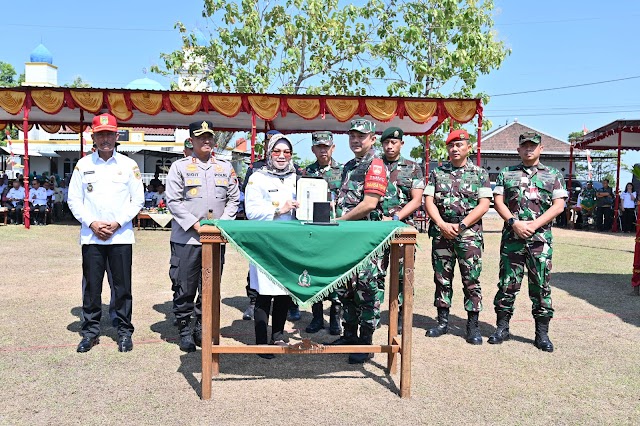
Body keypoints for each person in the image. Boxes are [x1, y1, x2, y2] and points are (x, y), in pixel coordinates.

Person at [67, 113, 145, 353]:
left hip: (120, 236)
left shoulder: (128, 165)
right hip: (92, 237)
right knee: (92, 287)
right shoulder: (83, 165)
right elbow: (73, 199)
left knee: (122, 287)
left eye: (109, 134)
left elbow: (137, 199)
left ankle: (124, 332)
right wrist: (91, 223)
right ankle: (90, 332)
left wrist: (117, 223)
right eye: (101, 135)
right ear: (94, 136)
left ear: (116, 135)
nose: (105, 139)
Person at [166, 120, 240, 352]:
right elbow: (174, 201)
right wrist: (196, 225)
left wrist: (221, 225)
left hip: (216, 238)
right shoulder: (179, 167)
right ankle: (185, 329)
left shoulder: (225, 167)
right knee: (184, 286)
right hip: (187, 239)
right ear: (192, 141)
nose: (206, 141)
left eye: (209, 136)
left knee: (210, 286)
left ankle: (202, 326)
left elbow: (233, 199)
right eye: (200, 137)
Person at [489, 132, 567, 352]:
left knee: (541, 286)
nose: (529, 149)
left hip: (540, 240)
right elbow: (498, 202)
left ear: (541, 148)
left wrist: (533, 225)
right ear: (518, 150)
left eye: (533, 146)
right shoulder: (507, 173)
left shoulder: (553, 175)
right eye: (524, 146)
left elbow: (558, 205)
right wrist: (514, 222)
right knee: (507, 285)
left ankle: (542, 334)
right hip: (512, 238)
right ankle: (502, 328)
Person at [424, 129, 491, 345]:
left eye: (459, 145)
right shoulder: (438, 172)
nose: (454, 149)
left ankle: (472, 326)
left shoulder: (480, 174)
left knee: (471, 279)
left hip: (468, 235)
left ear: (468, 147)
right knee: (442, 278)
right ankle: (442, 321)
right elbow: (428, 201)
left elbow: (484, 204)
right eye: (451, 146)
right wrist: (442, 224)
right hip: (442, 234)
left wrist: (461, 225)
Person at [332, 118, 389, 364]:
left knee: (366, 290)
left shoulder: (375, 166)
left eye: (361, 136)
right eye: (352, 136)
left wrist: (340, 221)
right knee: (346, 288)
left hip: (367, 241)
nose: (356, 140)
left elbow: (369, 204)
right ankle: (349, 335)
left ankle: (365, 342)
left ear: (372, 139)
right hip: (347, 240)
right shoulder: (348, 166)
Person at [245, 134, 299, 359]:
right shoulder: (257, 178)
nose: (282, 156)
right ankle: (261, 341)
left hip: (289, 244)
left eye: (286, 152)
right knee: (264, 292)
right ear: (268, 153)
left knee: (284, 291)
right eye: (277, 151)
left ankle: (277, 334)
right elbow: (251, 212)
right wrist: (279, 209)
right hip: (265, 243)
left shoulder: (297, 177)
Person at [378, 127, 425, 333]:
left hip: (403, 229)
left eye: (394, 142)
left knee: (401, 275)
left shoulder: (413, 167)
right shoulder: (374, 165)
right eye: (386, 142)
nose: (390, 146)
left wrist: (396, 217)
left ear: (401, 144)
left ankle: (399, 315)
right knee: (375, 272)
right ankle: (372, 312)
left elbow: (416, 200)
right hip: (376, 228)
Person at [303, 131, 344, 335]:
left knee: (335, 273)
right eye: (319, 146)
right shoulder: (305, 172)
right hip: (313, 230)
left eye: (326, 146)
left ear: (332, 148)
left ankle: (335, 317)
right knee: (315, 271)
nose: (322, 150)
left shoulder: (343, 171)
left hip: (334, 231)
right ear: (313, 149)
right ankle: (317, 316)